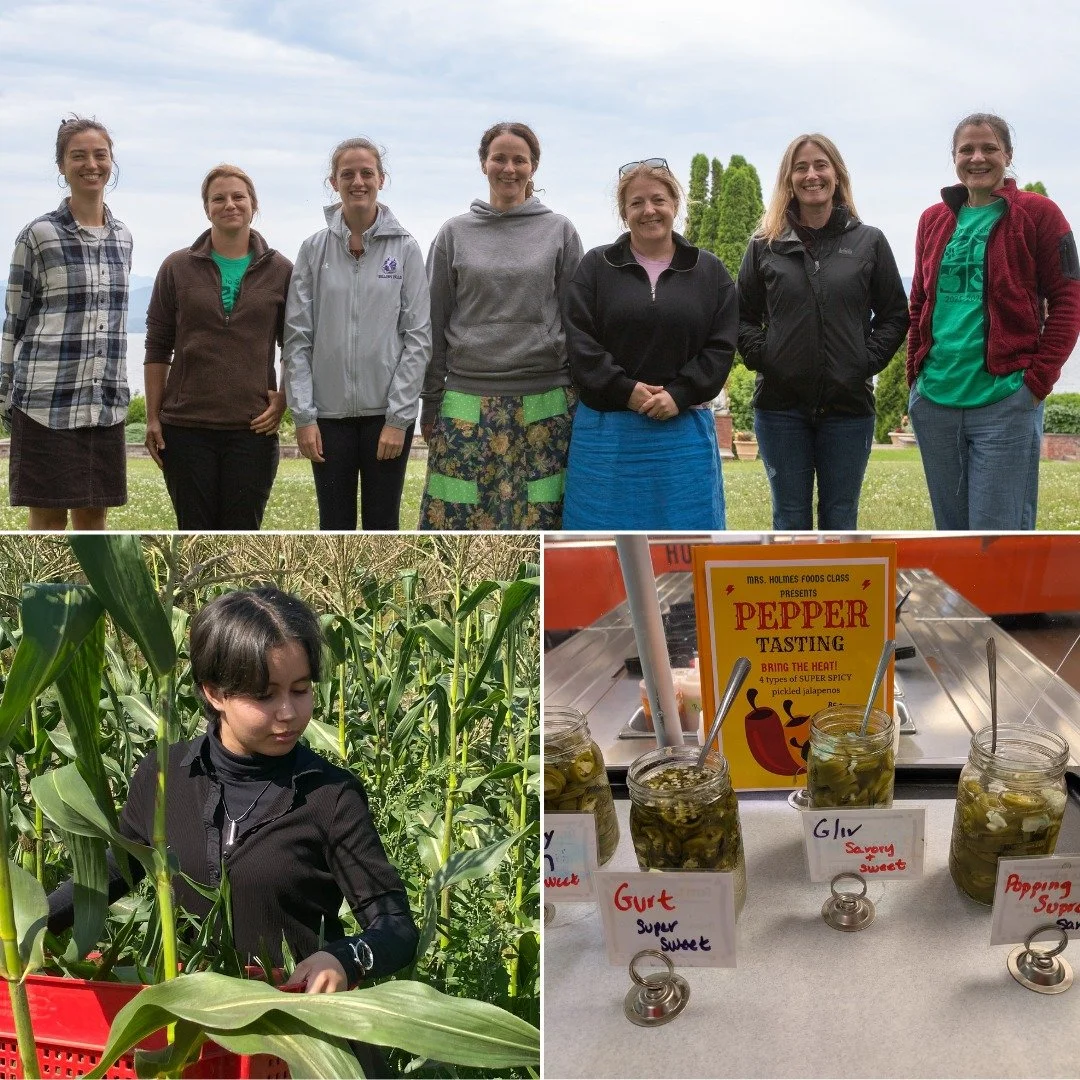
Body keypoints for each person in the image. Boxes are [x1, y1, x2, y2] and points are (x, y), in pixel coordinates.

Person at [47, 588, 418, 1072]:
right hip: (192, 1042)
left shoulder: (330, 795)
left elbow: (395, 928)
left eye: (301, 690)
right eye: (265, 695)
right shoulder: (165, 774)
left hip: (297, 1042)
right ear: (213, 691)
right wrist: (30, 926)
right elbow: (114, 871)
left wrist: (346, 960)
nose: (288, 713)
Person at [908, 112, 1080, 530]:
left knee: (997, 541)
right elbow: (918, 303)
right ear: (954, 157)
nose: (977, 157)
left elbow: (1069, 299)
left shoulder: (1040, 215)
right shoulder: (933, 220)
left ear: (1008, 154)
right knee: (950, 539)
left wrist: (1036, 382)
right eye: (966, 149)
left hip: (1005, 402)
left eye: (989, 147)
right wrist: (916, 375)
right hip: (936, 402)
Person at [737, 133, 909, 530]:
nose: (811, 175)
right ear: (788, 179)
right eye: (801, 167)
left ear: (837, 174)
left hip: (848, 407)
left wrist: (862, 362)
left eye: (820, 165)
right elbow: (740, 318)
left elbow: (894, 315)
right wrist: (769, 358)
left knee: (840, 518)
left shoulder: (869, 241)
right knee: (789, 519)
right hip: (780, 407)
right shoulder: (764, 245)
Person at [419, 121, 583, 530]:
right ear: (483, 164)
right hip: (465, 401)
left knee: (541, 521)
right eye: (499, 158)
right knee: (456, 522)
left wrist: (581, 395)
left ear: (534, 167)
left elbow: (578, 321)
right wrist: (431, 399)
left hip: (544, 398)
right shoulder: (454, 233)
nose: (509, 168)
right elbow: (433, 321)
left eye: (519, 160)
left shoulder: (559, 230)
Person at [562, 159, 737, 530]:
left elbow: (721, 347)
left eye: (658, 199)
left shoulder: (710, 272)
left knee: (687, 543)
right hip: (607, 438)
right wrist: (624, 390)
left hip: (684, 434)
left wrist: (679, 394)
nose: (649, 210)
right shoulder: (595, 267)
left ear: (675, 204)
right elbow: (580, 341)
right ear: (624, 214)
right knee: (600, 546)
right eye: (636, 203)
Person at [284, 138, 430, 531]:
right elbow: (297, 339)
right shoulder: (313, 250)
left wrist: (400, 419)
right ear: (334, 182)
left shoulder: (406, 249)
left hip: (386, 416)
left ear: (381, 179)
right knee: (334, 525)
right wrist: (303, 416)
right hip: (326, 419)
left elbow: (417, 339)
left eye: (367, 172)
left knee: (384, 524)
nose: (358, 181)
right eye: (347, 173)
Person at [1, 116, 132, 531]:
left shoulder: (123, 237)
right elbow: (13, 321)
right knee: (47, 521)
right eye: (78, 155)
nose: (91, 164)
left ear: (111, 162)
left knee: (95, 521)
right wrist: (5, 393)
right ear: (62, 166)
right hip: (46, 404)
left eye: (100, 154)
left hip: (103, 405)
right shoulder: (38, 235)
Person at [144, 165, 292, 529]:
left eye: (238, 196)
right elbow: (157, 346)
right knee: (194, 529)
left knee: (244, 531)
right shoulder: (176, 268)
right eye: (219, 198)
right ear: (206, 207)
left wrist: (284, 398)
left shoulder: (281, 270)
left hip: (253, 430)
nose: (230, 204)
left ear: (253, 205)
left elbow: (297, 345)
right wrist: (151, 417)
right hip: (185, 429)